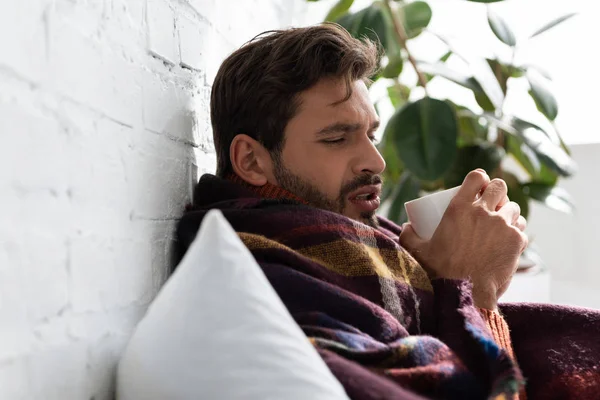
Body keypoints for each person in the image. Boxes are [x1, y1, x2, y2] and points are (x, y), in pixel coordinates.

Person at [176, 24, 600, 400]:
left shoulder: (362, 248)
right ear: (251, 161)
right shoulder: (266, 280)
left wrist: (441, 278)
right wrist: (474, 288)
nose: (376, 163)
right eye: (337, 138)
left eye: (371, 134)